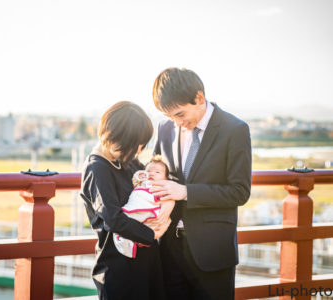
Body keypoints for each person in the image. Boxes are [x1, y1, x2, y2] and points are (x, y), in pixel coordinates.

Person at [150, 68, 252, 299]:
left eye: (179, 114)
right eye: (170, 117)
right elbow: (157, 169)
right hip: (169, 250)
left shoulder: (235, 130)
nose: (176, 123)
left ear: (198, 98)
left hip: (212, 252)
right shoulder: (165, 128)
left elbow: (239, 192)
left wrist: (185, 192)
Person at [79, 101, 170, 300]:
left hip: (145, 261)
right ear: (119, 138)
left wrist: (167, 209)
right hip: (118, 268)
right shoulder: (97, 168)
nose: (140, 150)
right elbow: (113, 218)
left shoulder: (127, 161)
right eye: (137, 144)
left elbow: (151, 186)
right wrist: (152, 233)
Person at [113, 155, 171, 258]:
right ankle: (126, 241)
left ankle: (133, 242)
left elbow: (169, 197)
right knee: (128, 222)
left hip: (149, 210)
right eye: (148, 171)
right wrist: (140, 176)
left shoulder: (163, 187)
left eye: (157, 172)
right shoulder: (142, 183)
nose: (152, 173)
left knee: (149, 225)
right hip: (135, 205)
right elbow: (135, 180)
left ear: (166, 178)